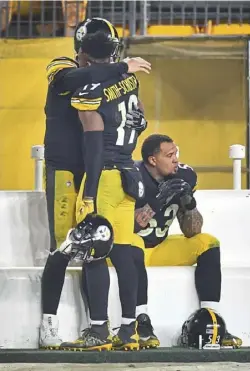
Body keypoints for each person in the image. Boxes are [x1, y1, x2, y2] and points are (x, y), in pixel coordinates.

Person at [39, 17, 151, 349]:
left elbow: (133, 115)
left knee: (98, 249)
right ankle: (50, 321)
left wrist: (139, 120)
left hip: (96, 170)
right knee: (63, 247)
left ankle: (97, 326)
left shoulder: (110, 78)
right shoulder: (65, 67)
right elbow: (74, 78)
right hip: (67, 171)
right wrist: (121, 70)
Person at [131, 134, 242, 349]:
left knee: (208, 242)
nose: (175, 160)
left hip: (159, 246)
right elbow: (129, 227)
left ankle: (212, 318)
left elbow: (192, 231)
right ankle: (140, 322)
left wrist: (189, 204)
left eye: (176, 154)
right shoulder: (133, 177)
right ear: (153, 160)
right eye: (169, 155)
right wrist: (157, 201)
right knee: (133, 244)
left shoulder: (184, 175)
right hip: (130, 249)